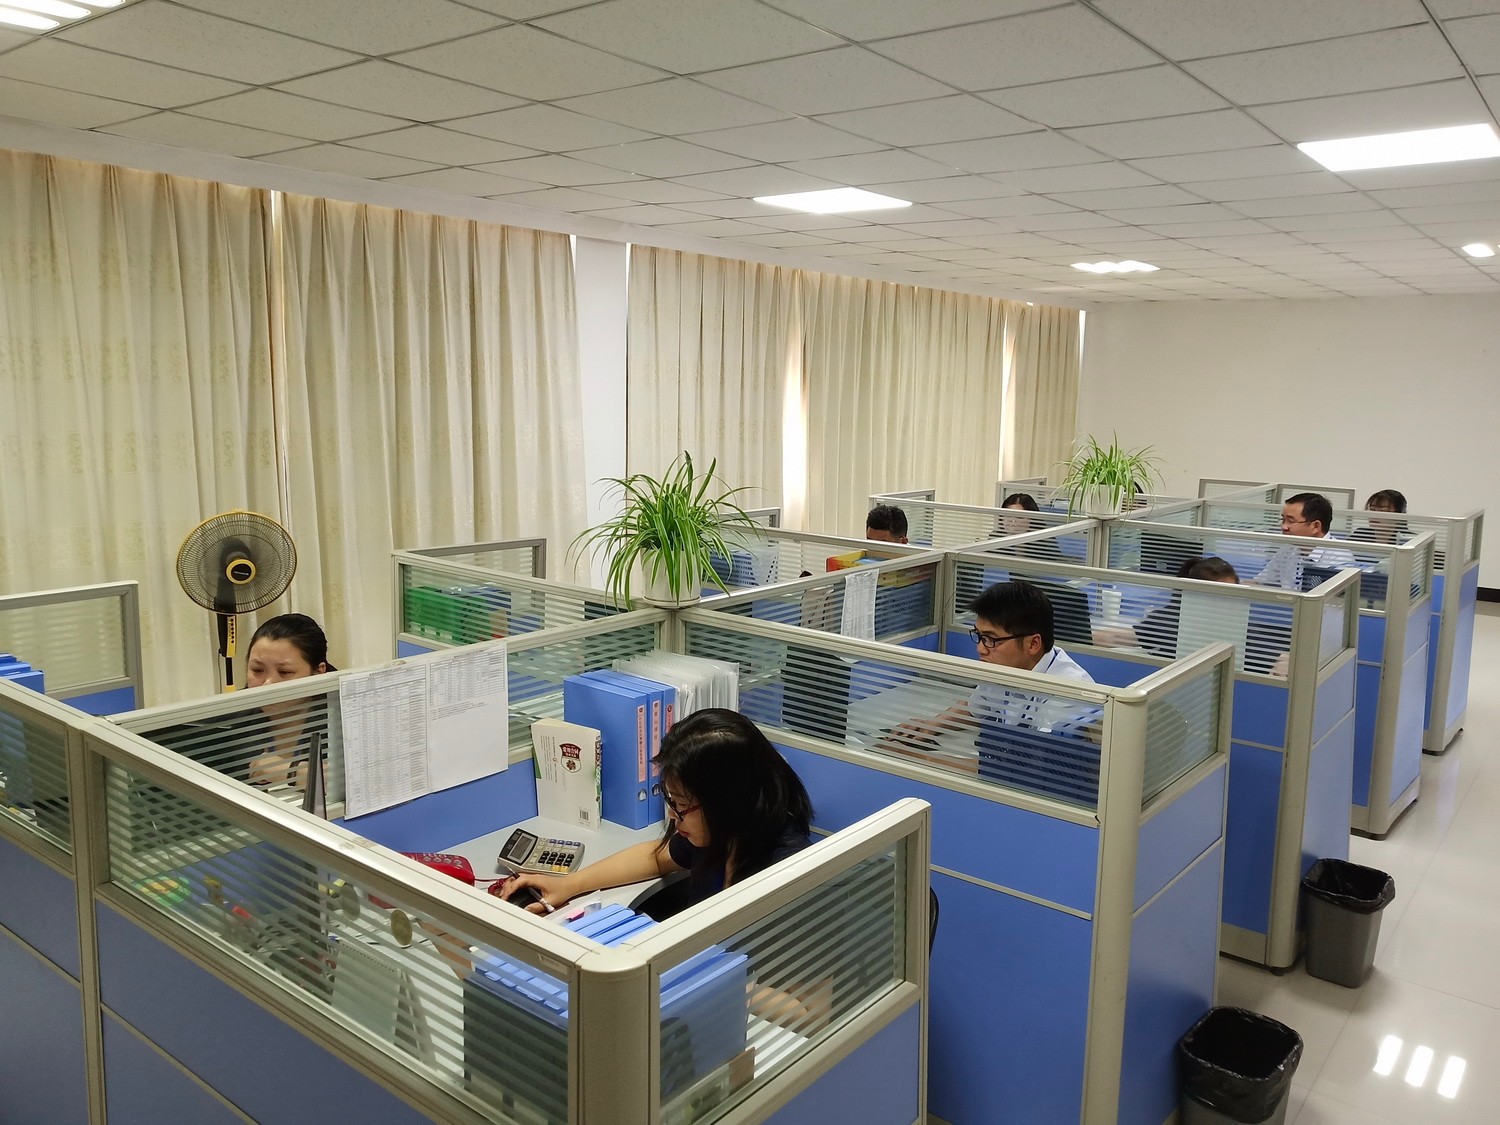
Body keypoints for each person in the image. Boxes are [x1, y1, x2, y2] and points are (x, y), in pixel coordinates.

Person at [503, 709, 813, 918]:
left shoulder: (791, 874)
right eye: (670, 798)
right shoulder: (721, 836)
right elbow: (655, 857)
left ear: (728, 803)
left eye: (681, 804)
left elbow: (808, 997)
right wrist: (571, 884)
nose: (673, 815)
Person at [884, 581, 1098, 767]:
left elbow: (1022, 769)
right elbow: (976, 706)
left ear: (1033, 643)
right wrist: (932, 725)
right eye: (979, 636)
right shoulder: (1009, 668)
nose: (980, 649)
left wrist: (923, 759)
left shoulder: (1068, 693)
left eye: (991, 639)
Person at [244, 613, 335, 789]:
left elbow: (359, 781)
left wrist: (287, 771)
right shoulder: (228, 725)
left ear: (318, 673)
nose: (268, 684)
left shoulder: (345, 720)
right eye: (257, 670)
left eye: (284, 672)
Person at [1248, 492, 1354, 590]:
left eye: (1290, 521)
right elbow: (1260, 581)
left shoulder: (1340, 560)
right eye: (1283, 520)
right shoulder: (1288, 549)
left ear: (1316, 526)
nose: (1283, 527)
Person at [999, 492, 1065, 560]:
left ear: (1032, 519)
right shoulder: (996, 539)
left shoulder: (1046, 541)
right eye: (1008, 516)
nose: (1013, 522)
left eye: (1019, 517)